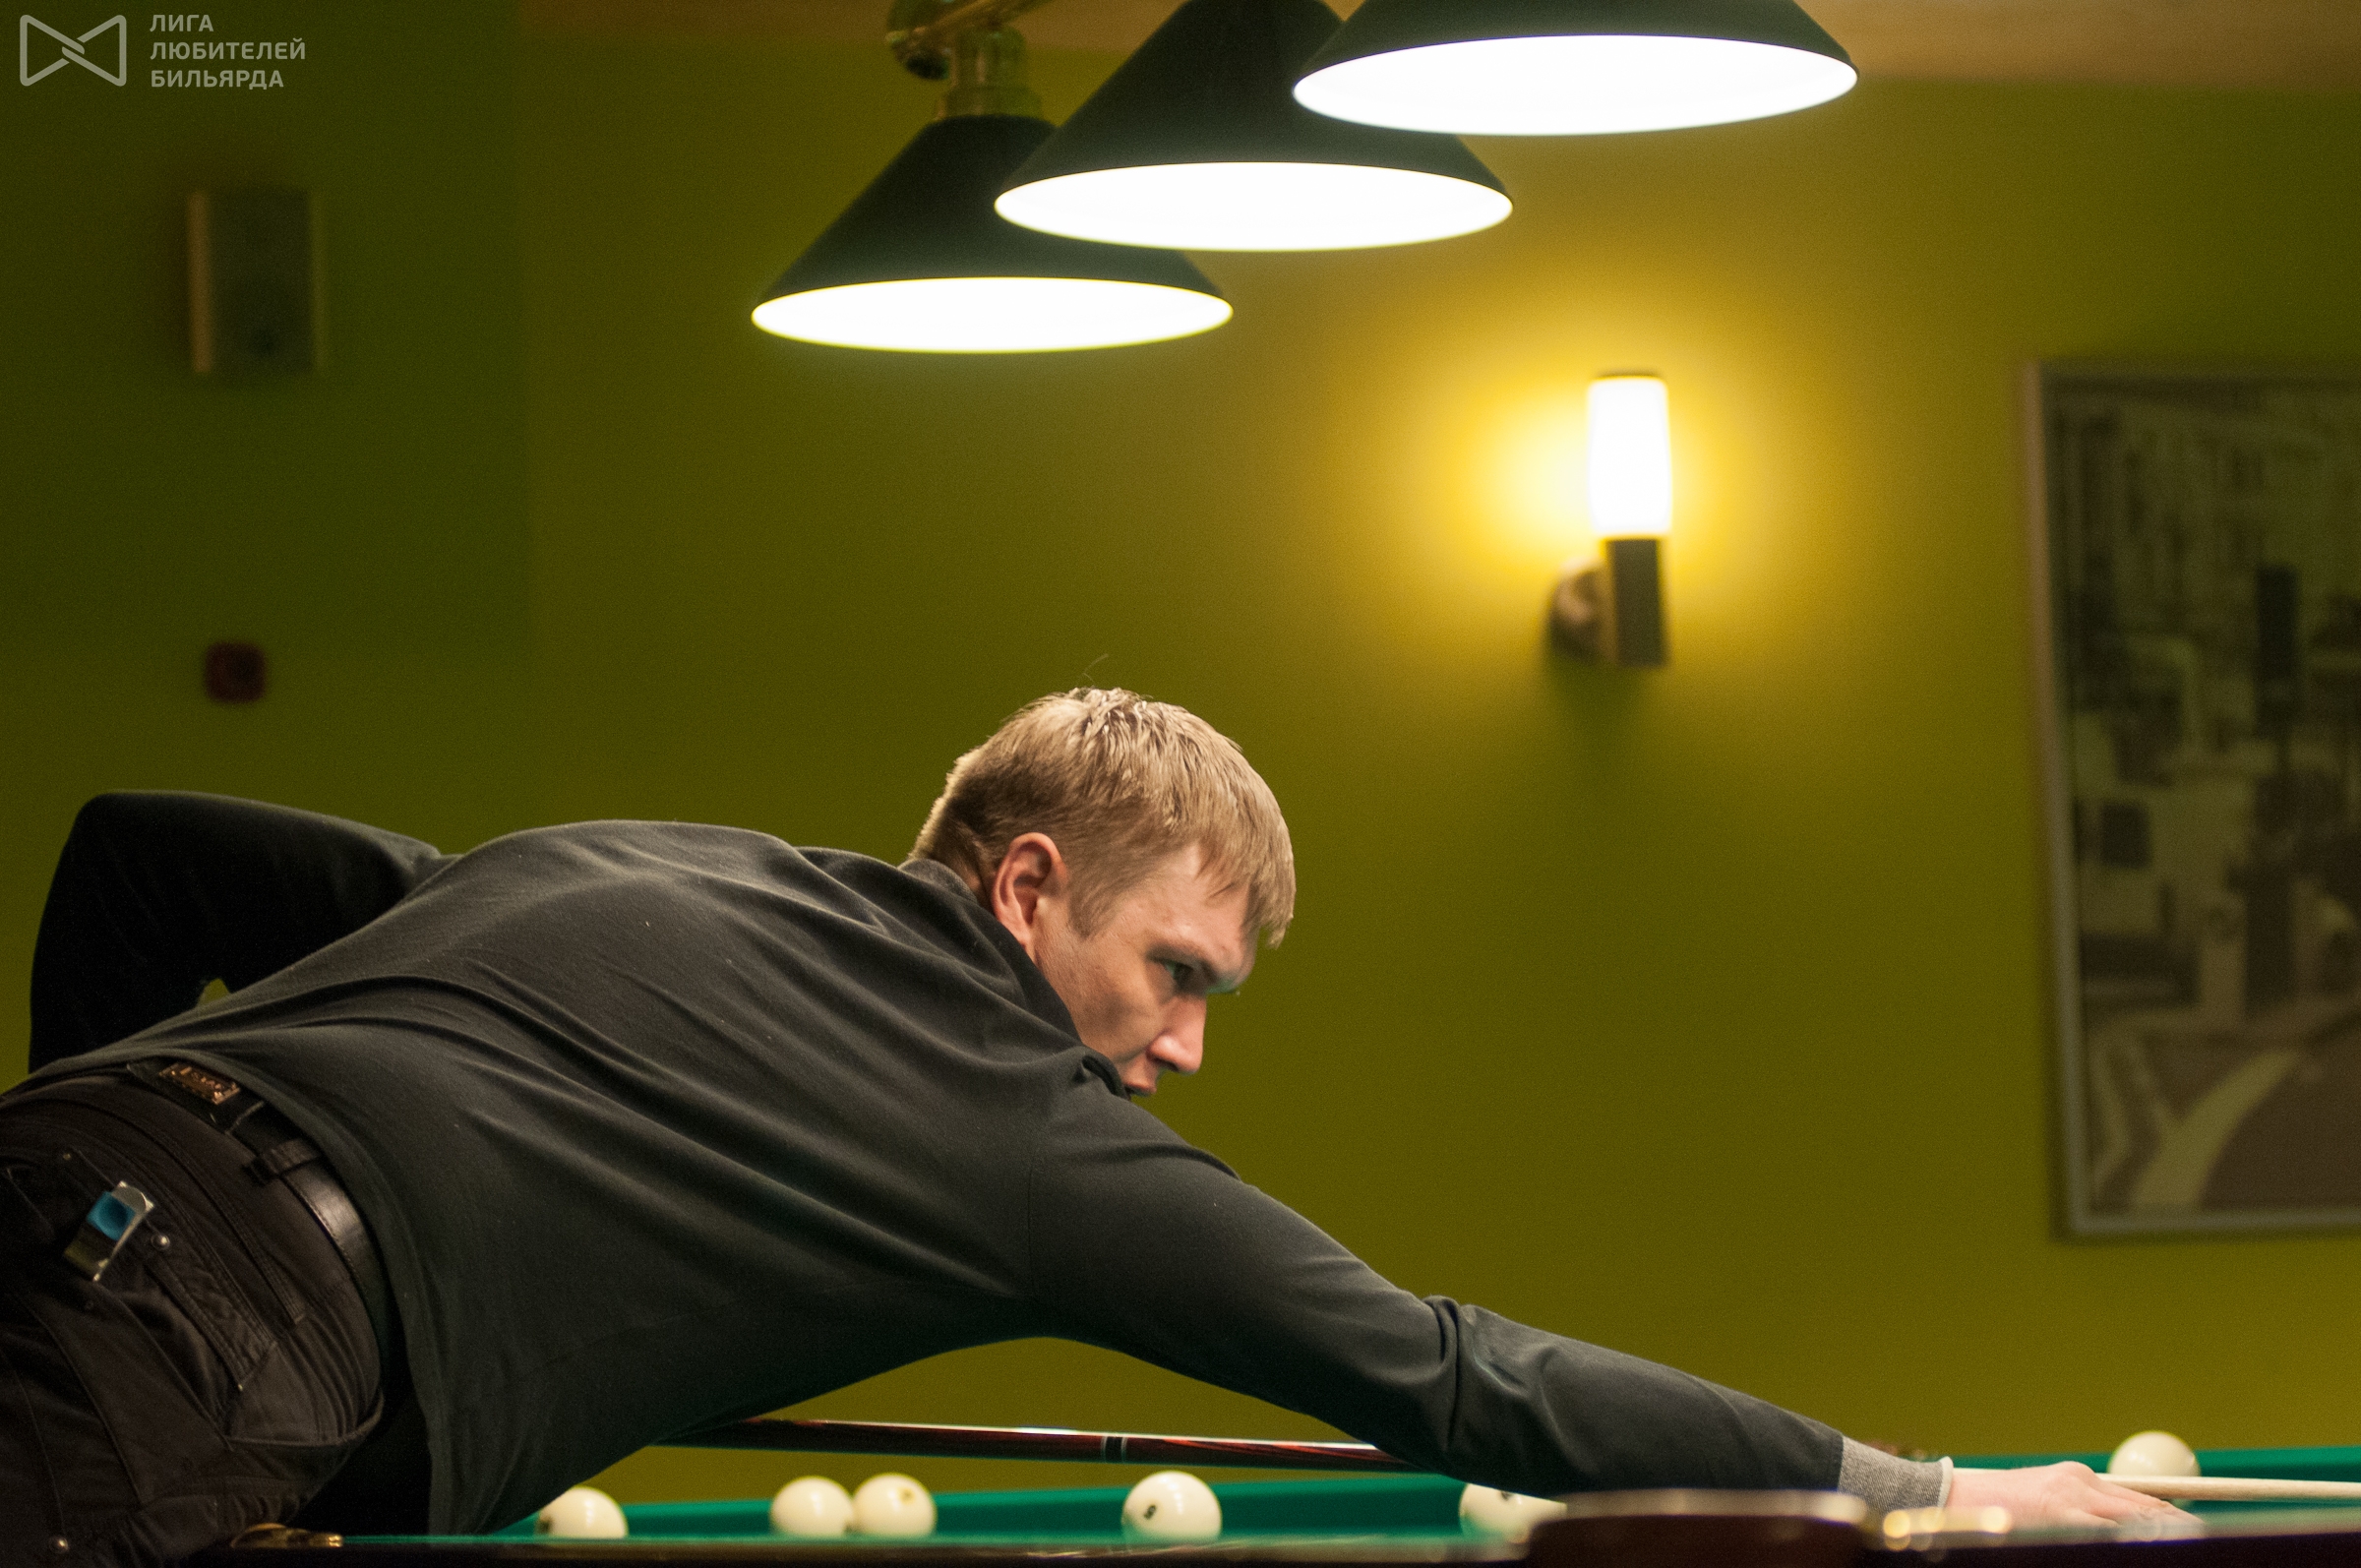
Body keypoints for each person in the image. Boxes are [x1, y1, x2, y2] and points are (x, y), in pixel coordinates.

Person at [0, 689, 2169, 1565]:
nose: (1191, 1045)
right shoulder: (1007, 1126)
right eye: (1181, 972)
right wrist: (1922, 1488)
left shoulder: (636, 860)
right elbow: (1452, 1373)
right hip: (179, 1330)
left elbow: (142, 850)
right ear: (1031, 887)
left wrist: (91, 1174)